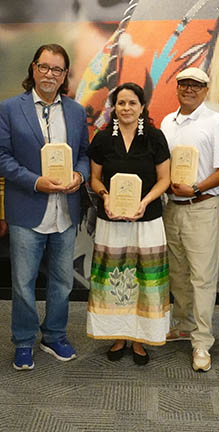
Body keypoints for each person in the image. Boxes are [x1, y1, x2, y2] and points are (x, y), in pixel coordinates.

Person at [0, 43, 89, 370]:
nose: (50, 74)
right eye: (44, 67)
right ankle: (23, 341)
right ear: (33, 68)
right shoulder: (9, 109)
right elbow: (2, 158)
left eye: (57, 69)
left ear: (65, 75)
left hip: (65, 212)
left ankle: (54, 335)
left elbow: (84, 154)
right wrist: (35, 181)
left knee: (63, 281)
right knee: (23, 283)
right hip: (27, 209)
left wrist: (80, 176)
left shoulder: (77, 111)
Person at [86, 82, 171, 365]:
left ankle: (139, 338)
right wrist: (105, 196)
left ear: (142, 107)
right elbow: (94, 178)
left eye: (132, 103)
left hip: (146, 220)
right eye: (121, 103)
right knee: (115, 279)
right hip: (111, 219)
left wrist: (145, 201)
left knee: (145, 280)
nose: (126, 108)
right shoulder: (101, 139)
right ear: (114, 108)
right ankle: (118, 335)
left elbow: (165, 180)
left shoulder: (155, 138)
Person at [160, 67, 219, 372]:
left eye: (196, 85)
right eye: (184, 84)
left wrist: (195, 187)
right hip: (171, 207)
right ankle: (182, 324)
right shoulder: (168, 121)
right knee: (176, 272)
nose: (189, 89)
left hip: (202, 206)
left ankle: (202, 341)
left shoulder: (216, 122)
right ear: (177, 88)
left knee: (202, 277)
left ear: (206, 90)